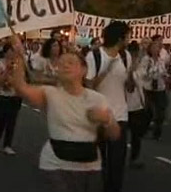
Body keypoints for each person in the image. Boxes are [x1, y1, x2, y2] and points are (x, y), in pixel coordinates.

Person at [9, 44, 120, 192]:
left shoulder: (97, 99)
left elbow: (115, 135)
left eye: (71, 63)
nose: (65, 66)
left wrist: (107, 120)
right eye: (61, 64)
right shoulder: (49, 93)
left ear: (84, 70)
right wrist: (18, 56)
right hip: (55, 164)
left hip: (90, 166)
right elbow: (21, 87)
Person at [85, 21, 131, 192]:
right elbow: (89, 87)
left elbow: (128, 87)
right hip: (99, 116)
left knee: (117, 162)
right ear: (120, 38)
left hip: (120, 116)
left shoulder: (126, 56)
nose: (129, 39)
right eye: (127, 36)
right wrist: (106, 70)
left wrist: (132, 75)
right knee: (98, 161)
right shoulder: (95, 56)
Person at [0, 43, 22, 155]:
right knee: (2, 118)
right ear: (6, 52)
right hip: (1, 95)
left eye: (15, 50)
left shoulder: (19, 64)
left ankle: (7, 145)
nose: (13, 53)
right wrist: (7, 70)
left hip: (15, 95)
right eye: (11, 50)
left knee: (12, 121)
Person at [139, 41, 169, 141]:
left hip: (160, 88)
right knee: (148, 112)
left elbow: (163, 71)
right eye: (154, 47)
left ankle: (157, 134)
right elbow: (143, 74)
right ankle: (143, 130)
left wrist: (166, 76)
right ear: (150, 49)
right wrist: (152, 71)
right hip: (149, 88)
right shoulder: (146, 60)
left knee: (161, 111)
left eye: (158, 48)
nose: (157, 50)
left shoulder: (161, 60)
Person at [126, 42, 148, 169]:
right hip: (125, 105)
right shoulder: (124, 66)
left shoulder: (140, 67)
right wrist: (131, 69)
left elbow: (142, 78)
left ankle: (134, 158)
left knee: (136, 135)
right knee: (122, 136)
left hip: (137, 105)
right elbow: (130, 84)